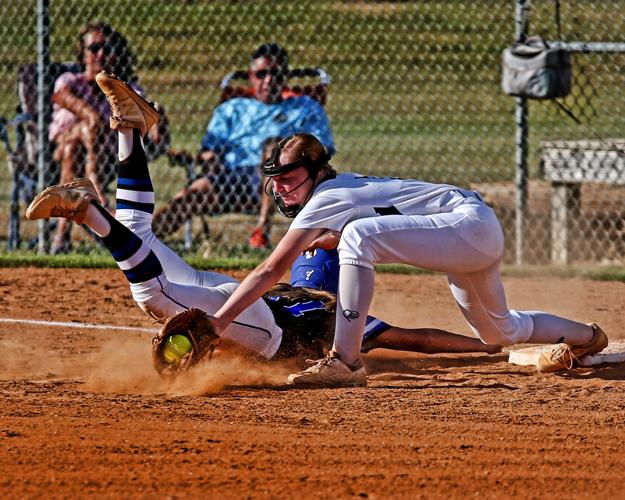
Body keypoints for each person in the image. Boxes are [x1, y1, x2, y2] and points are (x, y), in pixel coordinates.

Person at [25, 72, 499, 366]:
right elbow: (419, 340)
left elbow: (417, 339)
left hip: (240, 300)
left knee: (146, 253)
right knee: (153, 292)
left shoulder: (324, 304)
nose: (311, 260)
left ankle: (129, 133)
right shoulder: (340, 317)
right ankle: (89, 210)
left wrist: (486, 349)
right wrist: (486, 349)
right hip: (257, 326)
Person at [203, 132, 609, 388]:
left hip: (467, 225)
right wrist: (334, 239)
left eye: (288, 180)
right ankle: (589, 337)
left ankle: (344, 362)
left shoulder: (326, 197)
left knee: (360, 239)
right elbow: (386, 222)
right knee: (498, 331)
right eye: (275, 182)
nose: (281, 190)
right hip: (471, 230)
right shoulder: (343, 187)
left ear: (316, 172)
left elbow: (271, 268)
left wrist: (219, 321)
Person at [152, 42, 334, 249]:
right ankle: (143, 239)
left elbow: (322, 149)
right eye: (261, 74)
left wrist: (288, 154)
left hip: (287, 182)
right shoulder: (231, 109)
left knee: (274, 149)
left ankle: (261, 231)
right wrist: (207, 157)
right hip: (232, 177)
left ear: (286, 77)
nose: (269, 80)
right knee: (191, 195)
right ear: (250, 76)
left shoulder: (306, 108)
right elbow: (210, 149)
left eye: (276, 73)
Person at [48, 21, 168, 254]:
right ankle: (99, 198)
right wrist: (94, 120)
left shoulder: (124, 88)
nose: (101, 54)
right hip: (57, 153)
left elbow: (148, 112)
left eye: (108, 49)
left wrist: (155, 117)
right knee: (79, 135)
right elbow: (77, 108)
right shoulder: (68, 82)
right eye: (94, 48)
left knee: (75, 149)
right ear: (83, 53)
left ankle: (60, 237)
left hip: (106, 160)